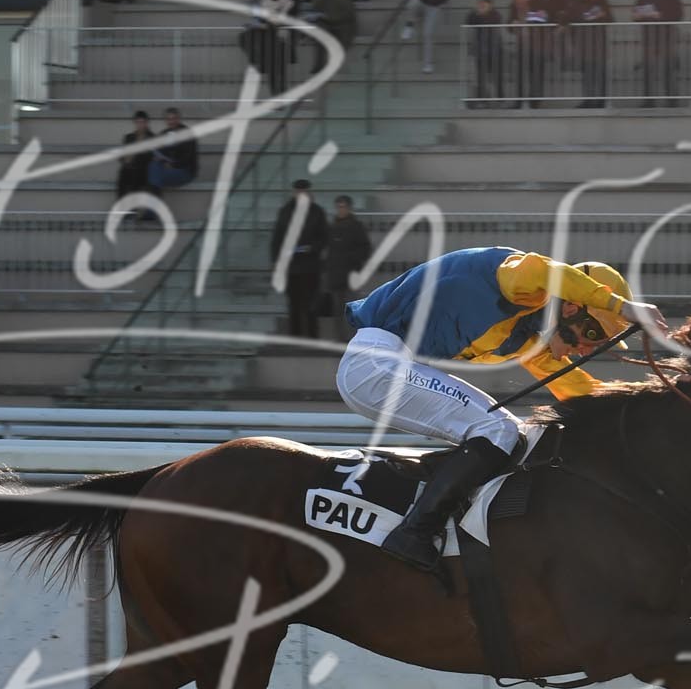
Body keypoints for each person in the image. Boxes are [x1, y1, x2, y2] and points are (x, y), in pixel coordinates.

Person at [339, 249, 664, 570]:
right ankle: (415, 533)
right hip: (377, 365)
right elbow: (546, 270)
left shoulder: (525, 337)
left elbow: (580, 391)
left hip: (384, 367)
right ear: (571, 307)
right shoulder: (521, 285)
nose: (587, 348)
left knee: (512, 433)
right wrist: (623, 308)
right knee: (498, 430)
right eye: (594, 334)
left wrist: (650, 406)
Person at [271, 178, 329, 339]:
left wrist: (312, 248)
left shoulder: (317, 212)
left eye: (304, 192)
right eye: (299, 192)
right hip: (291, 267)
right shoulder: (285, 211)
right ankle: (295, 337)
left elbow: (324, 237)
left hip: (310, 266)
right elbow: (277, 239)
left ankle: (312, 337)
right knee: (294, 304)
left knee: (311, 304)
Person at [633, 0, 682, 106]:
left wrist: (661, 15)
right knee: (648, 70)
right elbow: (635, 14)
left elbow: (679, 14)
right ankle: (649, 101)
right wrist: (637, 15)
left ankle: (672, 101)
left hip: (666, 37)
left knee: (668, 69)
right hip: (649, 38)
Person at [324, 194, 372, 327]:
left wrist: (350, 259)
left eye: (343, 207)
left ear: (349, 208)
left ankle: (352, 335)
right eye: (339, 207)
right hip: (335, 274)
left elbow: (365, 249)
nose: (341, 210)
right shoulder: (331, 228)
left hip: (351, 273)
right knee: (337, 310)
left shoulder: (356, 227)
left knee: (352, 308)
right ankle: (340, 336)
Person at [567, 0, 612, 106]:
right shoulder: (578, 4)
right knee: (587, 75)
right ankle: (588, 100)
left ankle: (601, 101)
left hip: (599, 45)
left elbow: (611, 19)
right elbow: (569, 18)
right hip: (584, 45)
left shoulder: (602, 2)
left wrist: (603, 15)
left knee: (601, 74)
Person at [398, 0, 449, 74]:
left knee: (428, 34)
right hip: (420, 2)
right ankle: (409, 25)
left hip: (433, 7)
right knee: (412, 3)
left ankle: (428, 64)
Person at [309, 0, 355, 71]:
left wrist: (329, 17)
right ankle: (319, 64)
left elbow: (348, 13)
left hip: (342, 25)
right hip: (327, 23)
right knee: (320, 29)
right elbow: (315, 8)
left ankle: (325, 65)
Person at [148, 107, 199, 194]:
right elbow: (158, 152)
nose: (171, 121)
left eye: (174, 118)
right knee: (153, 166)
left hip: (184, 171)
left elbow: (187, 158)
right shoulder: (164, 133)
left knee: (154, 176)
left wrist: (173, 165)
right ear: (165, 120)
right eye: (168, 119)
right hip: (167, 169)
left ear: (178, 119)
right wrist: (157, 157)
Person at [466, 0, 505, 106]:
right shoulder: (475, 14)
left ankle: (500, 98)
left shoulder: (495, 14)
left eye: (484, 5)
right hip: (480, 51)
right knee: (480, 77)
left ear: (491, 5)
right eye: (480, 4)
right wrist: (476, 13)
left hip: (495, 51)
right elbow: (469, 21)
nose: (482, 7)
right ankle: (482, 99)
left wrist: (483, 14)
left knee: (497, 76)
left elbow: (495, 21)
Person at [116, 110, 158, 210]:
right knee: (123, 174)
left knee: (134, 173)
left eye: (143, 122)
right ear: (135, 123)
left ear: (147, 123)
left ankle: (132, 208)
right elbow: (122, 157)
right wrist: (126, 159)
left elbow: (151, 156)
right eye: (138, 122)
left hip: (145, 169)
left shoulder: (152, 137)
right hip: (129, 168)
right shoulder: (129, 137)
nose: (140, 125)